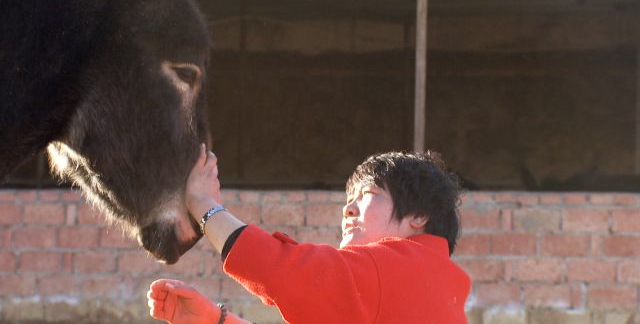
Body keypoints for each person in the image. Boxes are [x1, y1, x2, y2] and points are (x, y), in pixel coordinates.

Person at [147, 145, 471, 324]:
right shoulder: (434, 286)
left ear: (418, 216)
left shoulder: (398, 268)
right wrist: (214, 321)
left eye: (368, 194)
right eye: (349, 200)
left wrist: (203, 205)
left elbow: (282, 270)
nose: (348, 210)